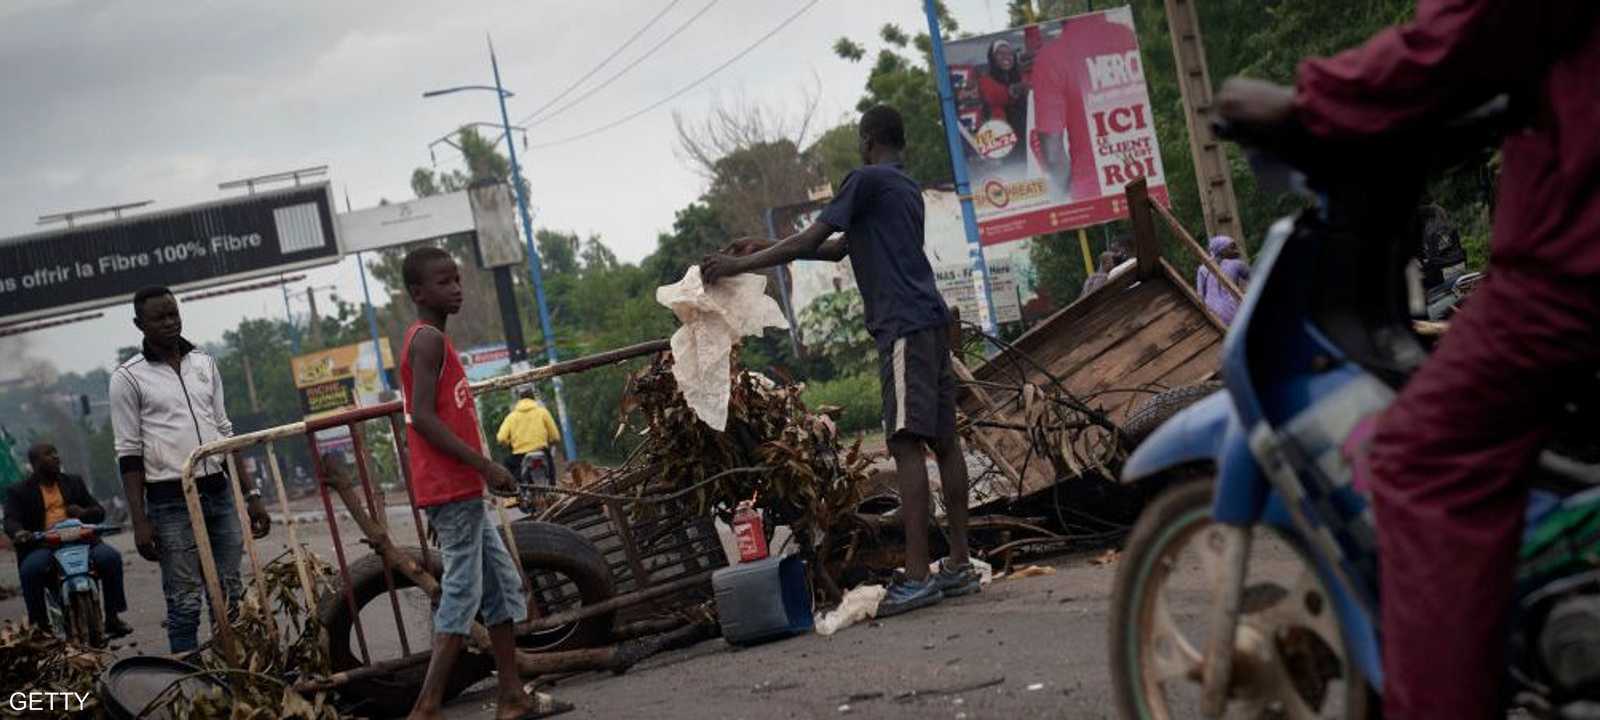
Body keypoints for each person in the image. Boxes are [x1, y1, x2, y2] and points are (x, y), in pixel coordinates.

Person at [1216, 2, 1600, 717]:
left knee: (1424, 459)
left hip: (1573, 251)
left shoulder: (1445, 232)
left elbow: (1473, 28)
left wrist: (1316, 100)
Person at [701, 105, 981, 617]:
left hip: (901, 326)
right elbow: (834, 251)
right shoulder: (903, 188)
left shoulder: (865, 178)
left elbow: (811, 239)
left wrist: (737, 265)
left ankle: (919, 578)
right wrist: (764, 245)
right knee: (944, 441)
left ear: (868, 139)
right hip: (931, 322)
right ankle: (959, 565)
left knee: (904, 443)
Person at [398, 247, 540, 720]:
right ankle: (428, 705)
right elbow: (420, 416)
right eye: (444, 282)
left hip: (462, 488)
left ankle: (512, 696)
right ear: (418, 292)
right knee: (462, 591)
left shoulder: (437, 340)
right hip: (451, 488)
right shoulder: (427, 341)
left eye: (457, 279)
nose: (455, 288)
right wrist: (484, 465)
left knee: (500, 586)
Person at [110, 286, 271, 653]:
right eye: (159, 317)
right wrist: (139, 521)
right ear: (140, 324)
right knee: (184, 600)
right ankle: (188, 683)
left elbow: (224, 432)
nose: (170, 322)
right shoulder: (128, 378)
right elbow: (129, 453)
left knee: (231, 590)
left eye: (173, 313)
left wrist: (252, 494)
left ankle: (239, 674)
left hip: (218, 490)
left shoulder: (205, 364)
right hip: (169, 500)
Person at [4, 443, 131, 638]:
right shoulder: (19, 491)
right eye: (48, 454)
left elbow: (98, 512)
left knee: (110, 558)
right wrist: (20, 532)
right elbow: (11, 520)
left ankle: (113, 618)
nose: (55, 456)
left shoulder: (73, 482)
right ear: (35, 463)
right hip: (44, 544)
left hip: (81, 540)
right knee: (31, 570)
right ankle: (41, 628)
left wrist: (84, 513)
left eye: (56, 452)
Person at [496, 386, 561, 487]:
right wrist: (549, 441)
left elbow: (501, 438)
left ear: (519, 399)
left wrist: (509, 445)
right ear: (533, 398)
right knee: (550, 468)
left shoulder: (511, 417)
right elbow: (555, 437)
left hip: (520, 456)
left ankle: (516, 493)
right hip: (541, 451)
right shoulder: (543, 412)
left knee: (508, 467)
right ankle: (552, 489)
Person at [977, 39, 1028, 142]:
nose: (1006, 56)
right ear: (992, 58)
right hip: (1003, 136)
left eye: (1009, 53)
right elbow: (994, 97)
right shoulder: (985, 80)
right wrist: (1014, 90)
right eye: (1000, 53)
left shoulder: (1022, 75)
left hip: (1027, 129)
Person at [1194, 235, 1248, 325]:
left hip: (1212, 316)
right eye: (1232, 248)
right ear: (1222, 251)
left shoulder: (1202, 269)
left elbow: (1200, 296)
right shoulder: (1237, 264)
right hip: (1233, 315)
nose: (1237, 251)